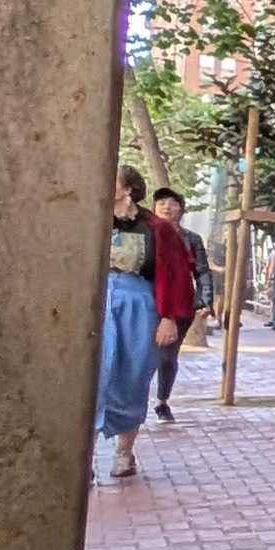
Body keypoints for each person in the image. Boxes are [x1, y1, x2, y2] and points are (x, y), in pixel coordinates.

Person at [93, 167, 162, 480]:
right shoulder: (91, 216)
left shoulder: (154, 227)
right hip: (97, 298)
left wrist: (170, 317)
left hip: (139, 302)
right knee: (92, 378)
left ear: (129, 189)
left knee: (134, 375)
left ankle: (124, 452)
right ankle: (86, 459)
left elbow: (169, 274)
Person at [146, 187, 207, 420]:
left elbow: (201, 271)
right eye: (161, 202)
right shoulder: (145, 232)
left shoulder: (191, 238)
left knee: (167, 356)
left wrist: (205, 300)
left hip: (181, 304)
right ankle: (135, 399)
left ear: (181, 209)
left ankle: (162, 401)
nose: (166, 206)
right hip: (147, 301)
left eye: (172, 203)